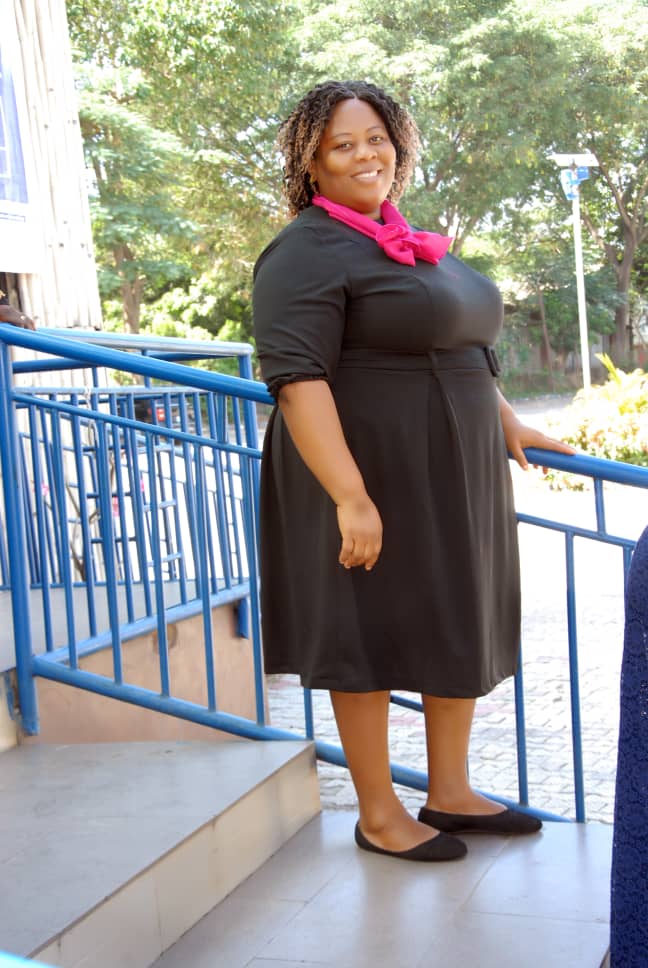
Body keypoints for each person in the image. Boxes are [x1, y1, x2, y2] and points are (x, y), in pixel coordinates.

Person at [253, 80, 575, 862]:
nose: (366, 155)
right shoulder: (305, 250)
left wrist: (506, 420)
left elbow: (457, 345)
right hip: (362, 468)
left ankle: (451, 792)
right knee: (361, 626)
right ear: (311, 164)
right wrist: (350, 495)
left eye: (378, 138)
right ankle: (377, 813)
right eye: (342, 144)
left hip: (450, 472)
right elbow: (297, 379)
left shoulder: (404, 239)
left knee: (452, 612)